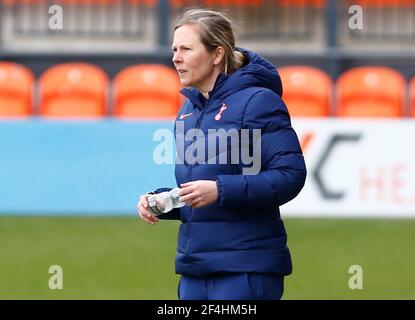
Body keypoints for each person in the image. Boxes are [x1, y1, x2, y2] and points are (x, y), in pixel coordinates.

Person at [137, 9, 306, 300]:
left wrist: (219, 190)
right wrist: (164, 201)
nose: (176, 57)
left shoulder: (258, 102)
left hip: (245, 270)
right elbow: (203, 193)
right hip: (195, 271)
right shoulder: (187, 113)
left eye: (186, 49)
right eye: (174, 49)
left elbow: (289, 176)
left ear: (217, 54)